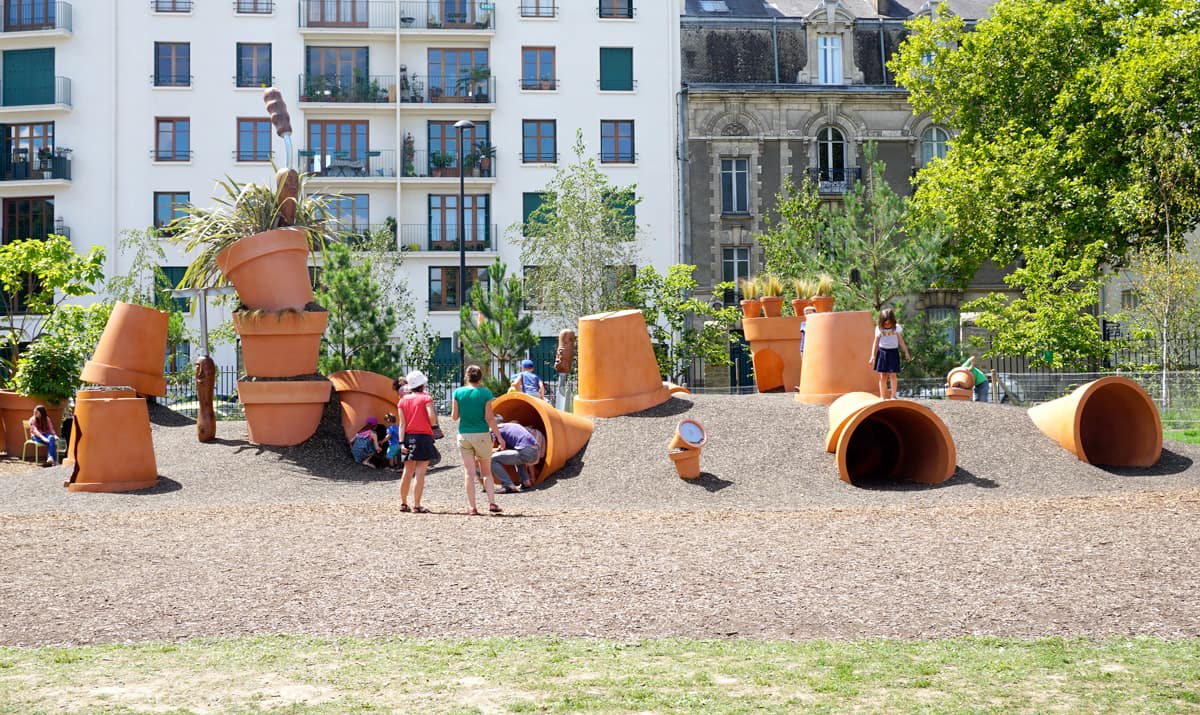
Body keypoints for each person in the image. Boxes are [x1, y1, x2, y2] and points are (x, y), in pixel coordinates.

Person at [452, 364, 504, 515]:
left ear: (466, 377)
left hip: (464, 435)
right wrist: (499, 437)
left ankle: (472, 507)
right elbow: (489, 418)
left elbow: (454, 417)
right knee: (486, 472)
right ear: (480, 377)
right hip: (482, 434)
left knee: (469, 472)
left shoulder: (458, 392)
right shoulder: (485, 393)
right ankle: (492, 503)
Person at [397, 369, 438, 513]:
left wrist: (401, 443)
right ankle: (417, 504)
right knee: (420, 472)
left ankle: (403, 503)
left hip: (407, 437)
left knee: (407, 471)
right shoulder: (426, 398)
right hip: (423, 437)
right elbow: (431, 416)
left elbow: (402, 424)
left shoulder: (402, 401)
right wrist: (434, 426)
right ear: (423, 384)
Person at [867, 307, 911, 400]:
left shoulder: (896, 328)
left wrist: (906, 352)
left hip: (893, 352)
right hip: (882, 352)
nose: (887, 326)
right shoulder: (879, 329)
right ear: (881, 322)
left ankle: (893, 395)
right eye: (885, 324)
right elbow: (875, 343)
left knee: (893, 374)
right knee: (883, 375)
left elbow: (901, 341)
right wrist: (873, 356)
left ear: (893, 321)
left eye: (889, 323)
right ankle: (882, 396)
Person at [490, 415, 541, 492]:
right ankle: (526, 482)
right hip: (535, 452)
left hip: (525, 451)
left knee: (492, 459)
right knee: (516, 455)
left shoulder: (496, 429)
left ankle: (508, 485)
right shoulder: (513, 425)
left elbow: (489, 448)